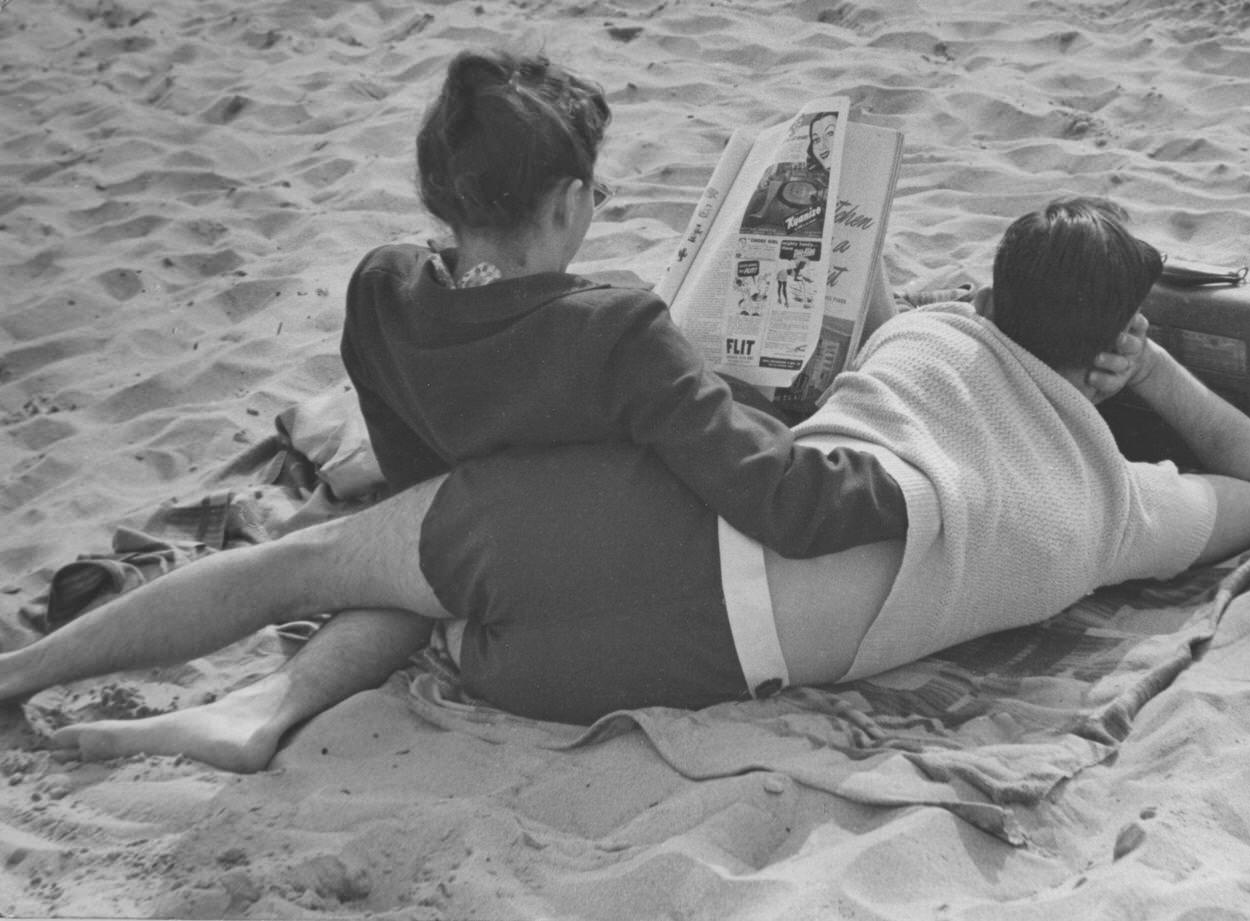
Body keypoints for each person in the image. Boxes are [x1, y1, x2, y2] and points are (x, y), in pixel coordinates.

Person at [5, 197, 1250, 772]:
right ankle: (266, 711)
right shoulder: (1121, 516)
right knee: (445, 603)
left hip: (650, 536)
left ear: (996, 298)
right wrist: (1159, 382)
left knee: (326, 558)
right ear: (1110, 346)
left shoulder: (927, 341)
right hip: (643, 669)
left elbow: (865, 325)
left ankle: (45, 684)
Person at [338, 48, 910, 561]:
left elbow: (410, 474)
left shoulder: (380, 290)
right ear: (568, 203)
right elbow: (781, 502)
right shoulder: (612, 332)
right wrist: (911, 485)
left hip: (469, 542)